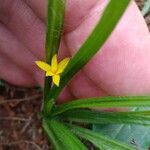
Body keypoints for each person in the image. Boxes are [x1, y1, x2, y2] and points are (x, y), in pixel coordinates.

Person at [0, 0, 150, 103]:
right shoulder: (52, 71)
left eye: (53, 69)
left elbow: (57, 67)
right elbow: (48, 67)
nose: (53, 68)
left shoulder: (56, 73)